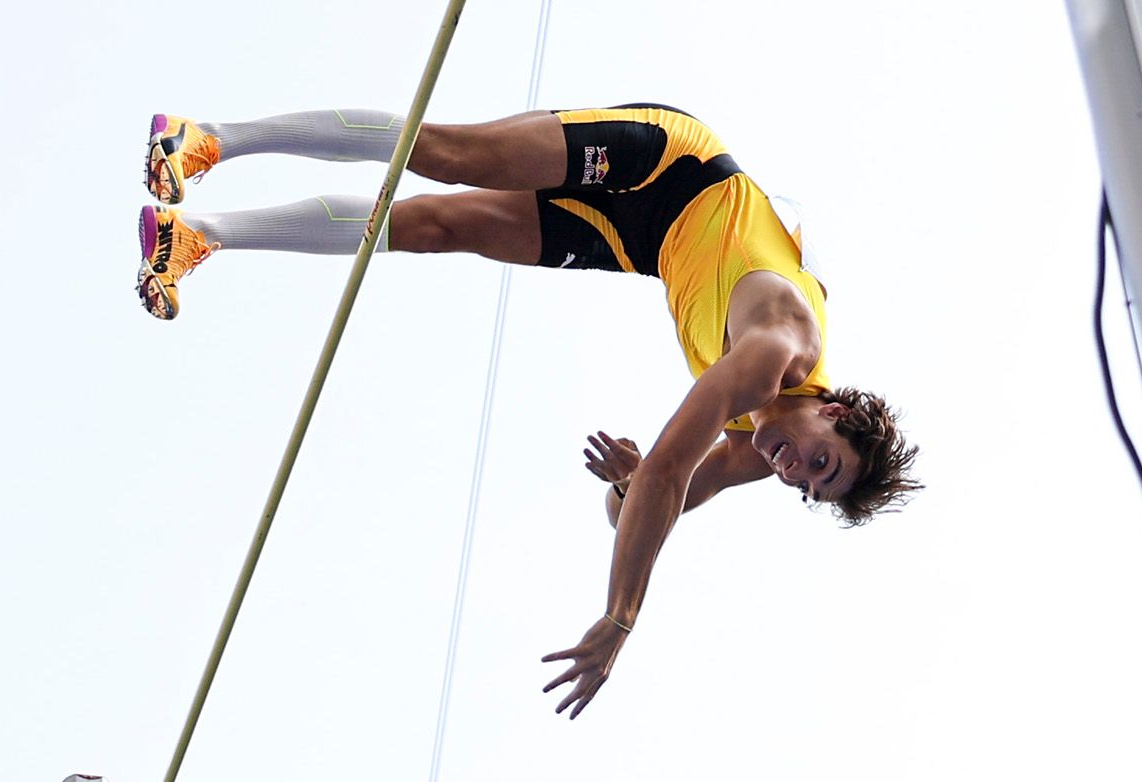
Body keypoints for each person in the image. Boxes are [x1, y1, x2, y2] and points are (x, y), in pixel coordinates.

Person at [135, 104, 921, 717]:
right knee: (445, 153)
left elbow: (643, 505)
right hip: (675, 165)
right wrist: (620, 617)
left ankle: (197, 236)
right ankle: (209, 141)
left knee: (440, 227)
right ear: (837, 411)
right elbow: (672, 475)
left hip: (641, 242)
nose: (794, 472)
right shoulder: (780, 349)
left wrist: (628, 484)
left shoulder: (760, 445)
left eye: (809, 489)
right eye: (821, 460)